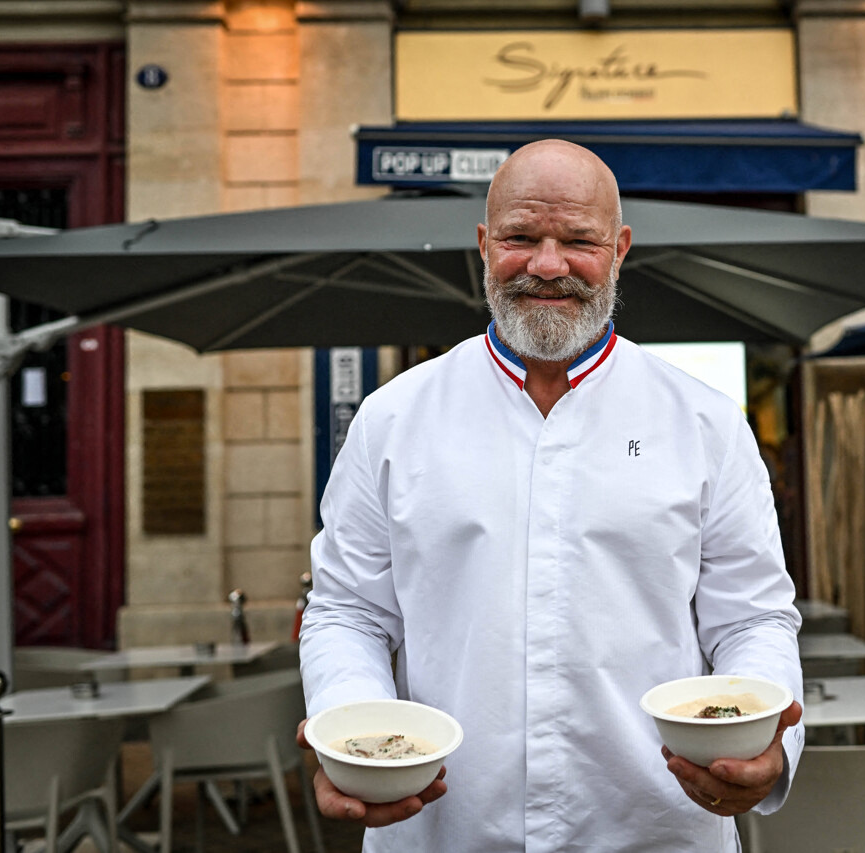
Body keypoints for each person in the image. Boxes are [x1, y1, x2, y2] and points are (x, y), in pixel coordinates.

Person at [296, 139, 804, 852]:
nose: (547, 264)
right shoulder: (392, 419)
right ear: (482, 245)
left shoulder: (705, 421)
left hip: (654, 829)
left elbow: (751, 617)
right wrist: (349, 729)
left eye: (578, 240)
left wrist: (762, 744)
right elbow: (347, 612)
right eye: (520, 237)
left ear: (620, 248)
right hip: (445, 830)